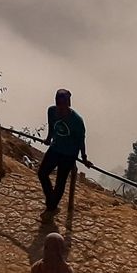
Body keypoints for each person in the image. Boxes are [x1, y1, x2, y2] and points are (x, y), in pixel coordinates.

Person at [38, 89, 91, 217]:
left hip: (69, 154)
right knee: (42, 173)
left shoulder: (77, 121)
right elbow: (52, 126)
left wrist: (84, 158)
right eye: (59, 105)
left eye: (64, 105)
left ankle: (51, 206)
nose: (61, 108)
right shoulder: (51, 111)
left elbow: (80, 140)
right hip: (55, 148)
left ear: (69, 104)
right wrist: (48, 139)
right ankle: (51, 201)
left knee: (60, 181)